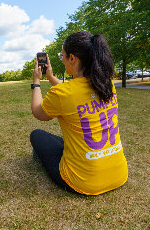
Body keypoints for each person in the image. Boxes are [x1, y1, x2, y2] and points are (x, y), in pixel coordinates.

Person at [30, 31, 128, 195]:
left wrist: (36, 82)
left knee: (37, 135)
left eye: (62, 56)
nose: (61, 60)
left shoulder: (63, 93)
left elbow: (38, 112)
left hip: (83, 182)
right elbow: (74, 91)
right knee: (63, 141)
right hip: (119, 175)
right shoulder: (107, 84)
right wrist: (51, 77)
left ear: (72, 58)